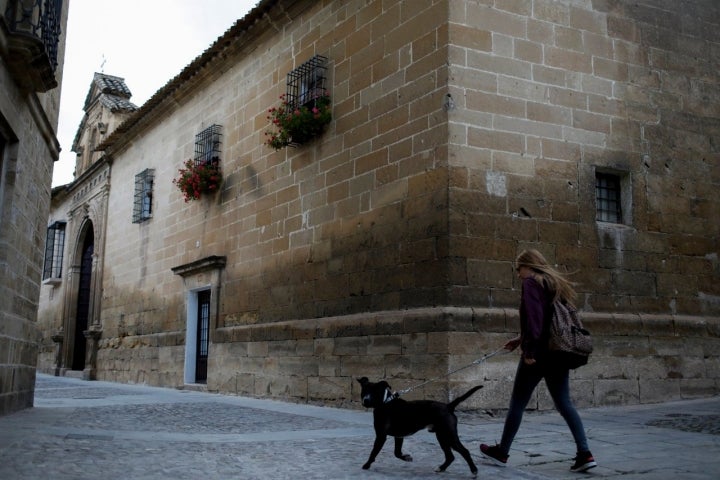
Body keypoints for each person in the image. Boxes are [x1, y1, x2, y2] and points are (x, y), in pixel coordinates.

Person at [479, 249, 597, 473]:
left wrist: (529, 350)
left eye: (519, 268)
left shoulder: (532, 283)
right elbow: (549, 321)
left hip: (539, 354)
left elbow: (536, 319)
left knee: (518, 404)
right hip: (558, 352)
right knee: (565, 404)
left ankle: (502, 452)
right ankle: (585, 453)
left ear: (528, 266)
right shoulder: (554, 283)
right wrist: (519, 339)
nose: (518, 274)